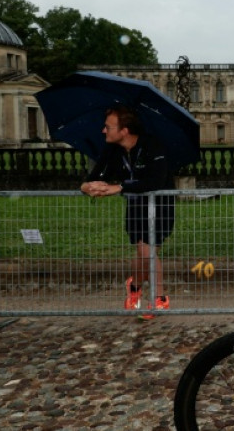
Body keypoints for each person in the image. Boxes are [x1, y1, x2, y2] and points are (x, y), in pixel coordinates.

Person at [80, 105, 175, 320]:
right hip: (136, 207)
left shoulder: (152, 145)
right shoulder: (112, 151)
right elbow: (93, 177)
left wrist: (120, 187)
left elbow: (156, 180)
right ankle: (159, 299)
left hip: (161, 205)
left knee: (147, 254)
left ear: (124, 131)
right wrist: (88, 188)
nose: (104, 131)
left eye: (108, 127)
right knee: (145, 251)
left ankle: (135, 286)